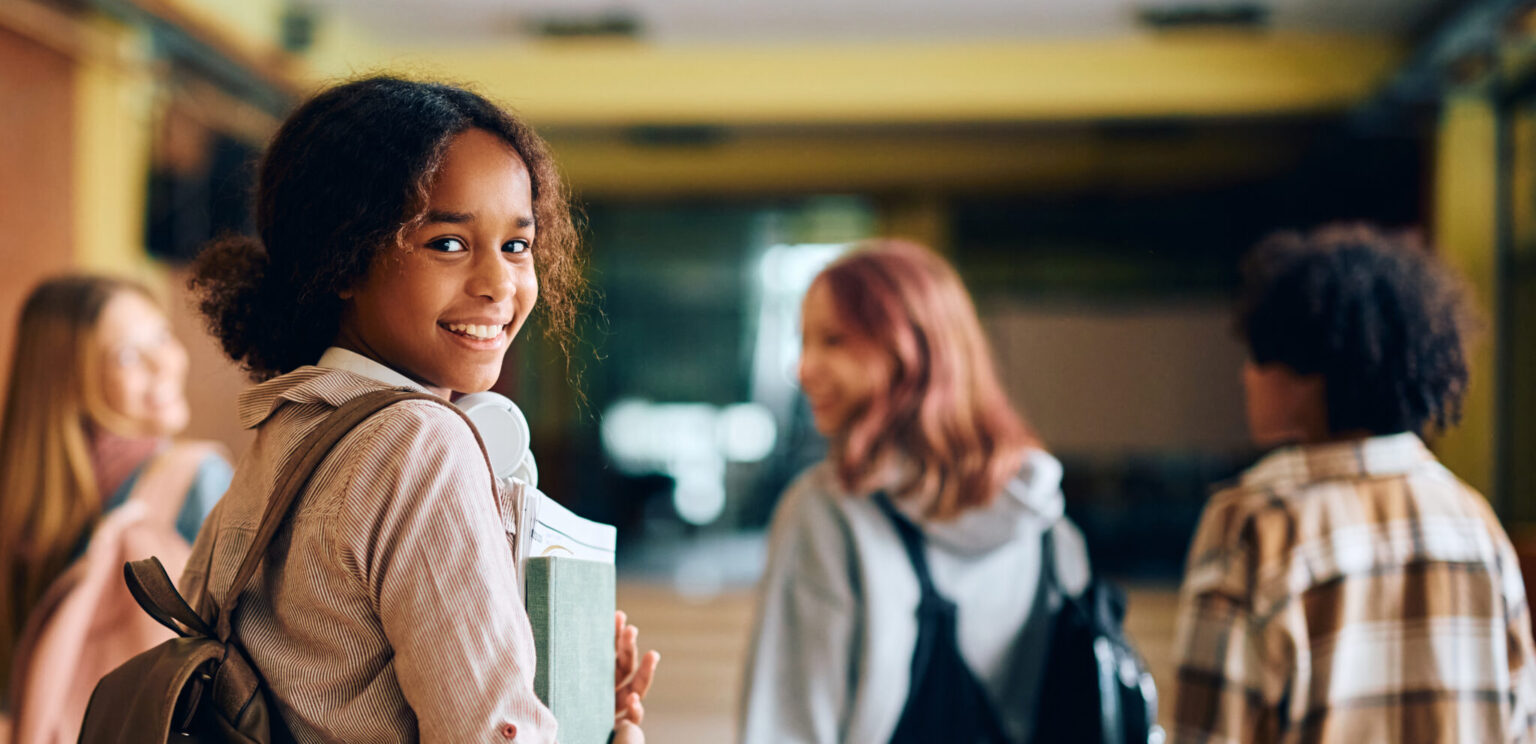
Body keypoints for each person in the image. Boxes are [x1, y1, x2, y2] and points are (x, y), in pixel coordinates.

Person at [182, 75, 657, 743]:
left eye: (517, 246)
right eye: (449, 244)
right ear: (342, 259)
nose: (499, 284)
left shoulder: (290, 429)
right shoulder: (420, 443)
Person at [1171, 225, 1536, 743]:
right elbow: (1519, 726)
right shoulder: (1475, 524)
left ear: (1310, 377)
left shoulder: (1255, 522)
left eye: (1259, 356)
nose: (1244, 376)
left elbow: (1210, 731)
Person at [739, 240, 1092, 744]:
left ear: (911, 351)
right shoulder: (1045, 527)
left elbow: (786, 728)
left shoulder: (828, 514)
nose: (802, 369)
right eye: (804, 342)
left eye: (834, 341)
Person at [0, 275, 231, 742]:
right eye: (127, 356)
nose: (163, 362)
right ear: (71, 380)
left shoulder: (30, 519)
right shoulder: (196, 479)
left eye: (162, 336)